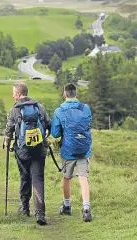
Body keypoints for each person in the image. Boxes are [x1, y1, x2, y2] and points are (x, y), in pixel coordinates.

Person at [3, 82, 51, 226]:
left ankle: (25, 208)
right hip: (38, 149)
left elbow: (9, 130)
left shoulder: (14, 110)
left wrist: (6, 142)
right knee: (38, 178)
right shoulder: (39, 107)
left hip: (23, 151)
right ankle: (40, 213)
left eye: (13, 93)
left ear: (18, 94)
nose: (12, 95)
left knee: (24, 177)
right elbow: (48, 124)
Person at [51, 83, 93, 222]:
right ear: (76, 93)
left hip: (68, 150)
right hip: (83, 150)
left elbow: (55, 133)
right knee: (83, 178)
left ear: (64, 94)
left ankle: (67, 206)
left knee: (67, 177)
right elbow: (88, 124)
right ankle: (86, 208)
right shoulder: (85, 108)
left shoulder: (59, 111)